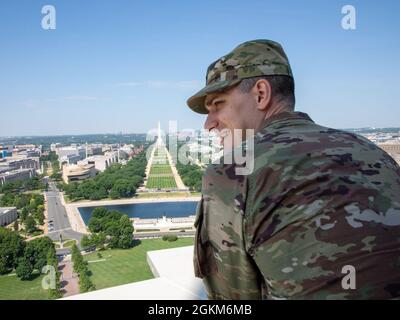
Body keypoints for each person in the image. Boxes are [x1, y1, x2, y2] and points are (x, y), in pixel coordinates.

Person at [186, 39, 400, 299]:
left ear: (261, 94)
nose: (208, 124)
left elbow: (232, 301)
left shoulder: (234, 170)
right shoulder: (372, 152)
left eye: (217, 104)